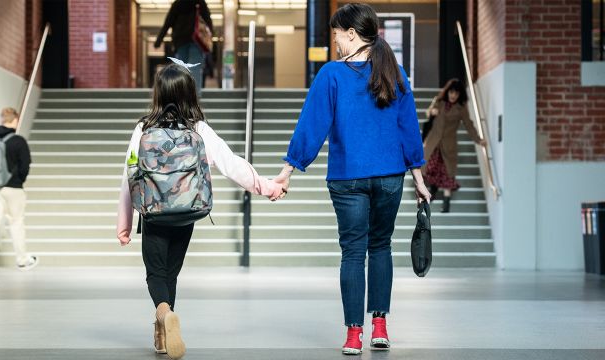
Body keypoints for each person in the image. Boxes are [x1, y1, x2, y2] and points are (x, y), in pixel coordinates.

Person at [272, 3, 431, 355]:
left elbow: (311, 126)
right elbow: (409, 128)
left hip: (347, 178)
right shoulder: (394, 70)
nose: (335, 42)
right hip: (390, 175)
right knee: (380, 248)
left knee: (353, 253)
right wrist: (418, 177)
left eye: (336, 34)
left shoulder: (331, 75)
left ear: (351, 33)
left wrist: (287, 173)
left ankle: (353, 334)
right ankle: (380, 327)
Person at [116, 60, 284, 360]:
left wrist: (124, 222)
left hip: (153, 212)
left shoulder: (143, 128)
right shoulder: (199, 129)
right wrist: (267, 187)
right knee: (172, 273)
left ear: (158, 93)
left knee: (155, 272)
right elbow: (232, 165)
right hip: (187, 211)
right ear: (189, 94)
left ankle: (164, 314)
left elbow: (128, 174)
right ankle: (163, 330)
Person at [0, 107, 37, 272]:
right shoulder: (18, 141)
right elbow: (25, 165)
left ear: (1, 120)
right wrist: (19, 180)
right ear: (15, 120)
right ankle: (22, 260)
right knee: (16, 222)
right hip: (13, 188)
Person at [422, 78, 487, 213]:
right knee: (430, 167)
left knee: (446, 172)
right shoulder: (439, 102)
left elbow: (469, 125)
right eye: (451, 92)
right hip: (434, 142)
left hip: (448, 145)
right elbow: (428, 113)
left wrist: (478, 140)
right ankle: (432, 190)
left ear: (460, 95)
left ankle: (446, 205)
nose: (453, 95)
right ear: (448, 92)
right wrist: (432, 112)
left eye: (456, 93)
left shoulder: (461, 109)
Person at [154, 0, 213, 95]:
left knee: (180, 68)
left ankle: (179, 93)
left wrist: (159, 40)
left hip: (180, 41)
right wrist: (209, 37)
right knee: (195, 67)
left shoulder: (178, 3)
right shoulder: (199, 2)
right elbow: (208, 20)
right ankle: (195, 94)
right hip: (196, 40)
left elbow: (168, 22)